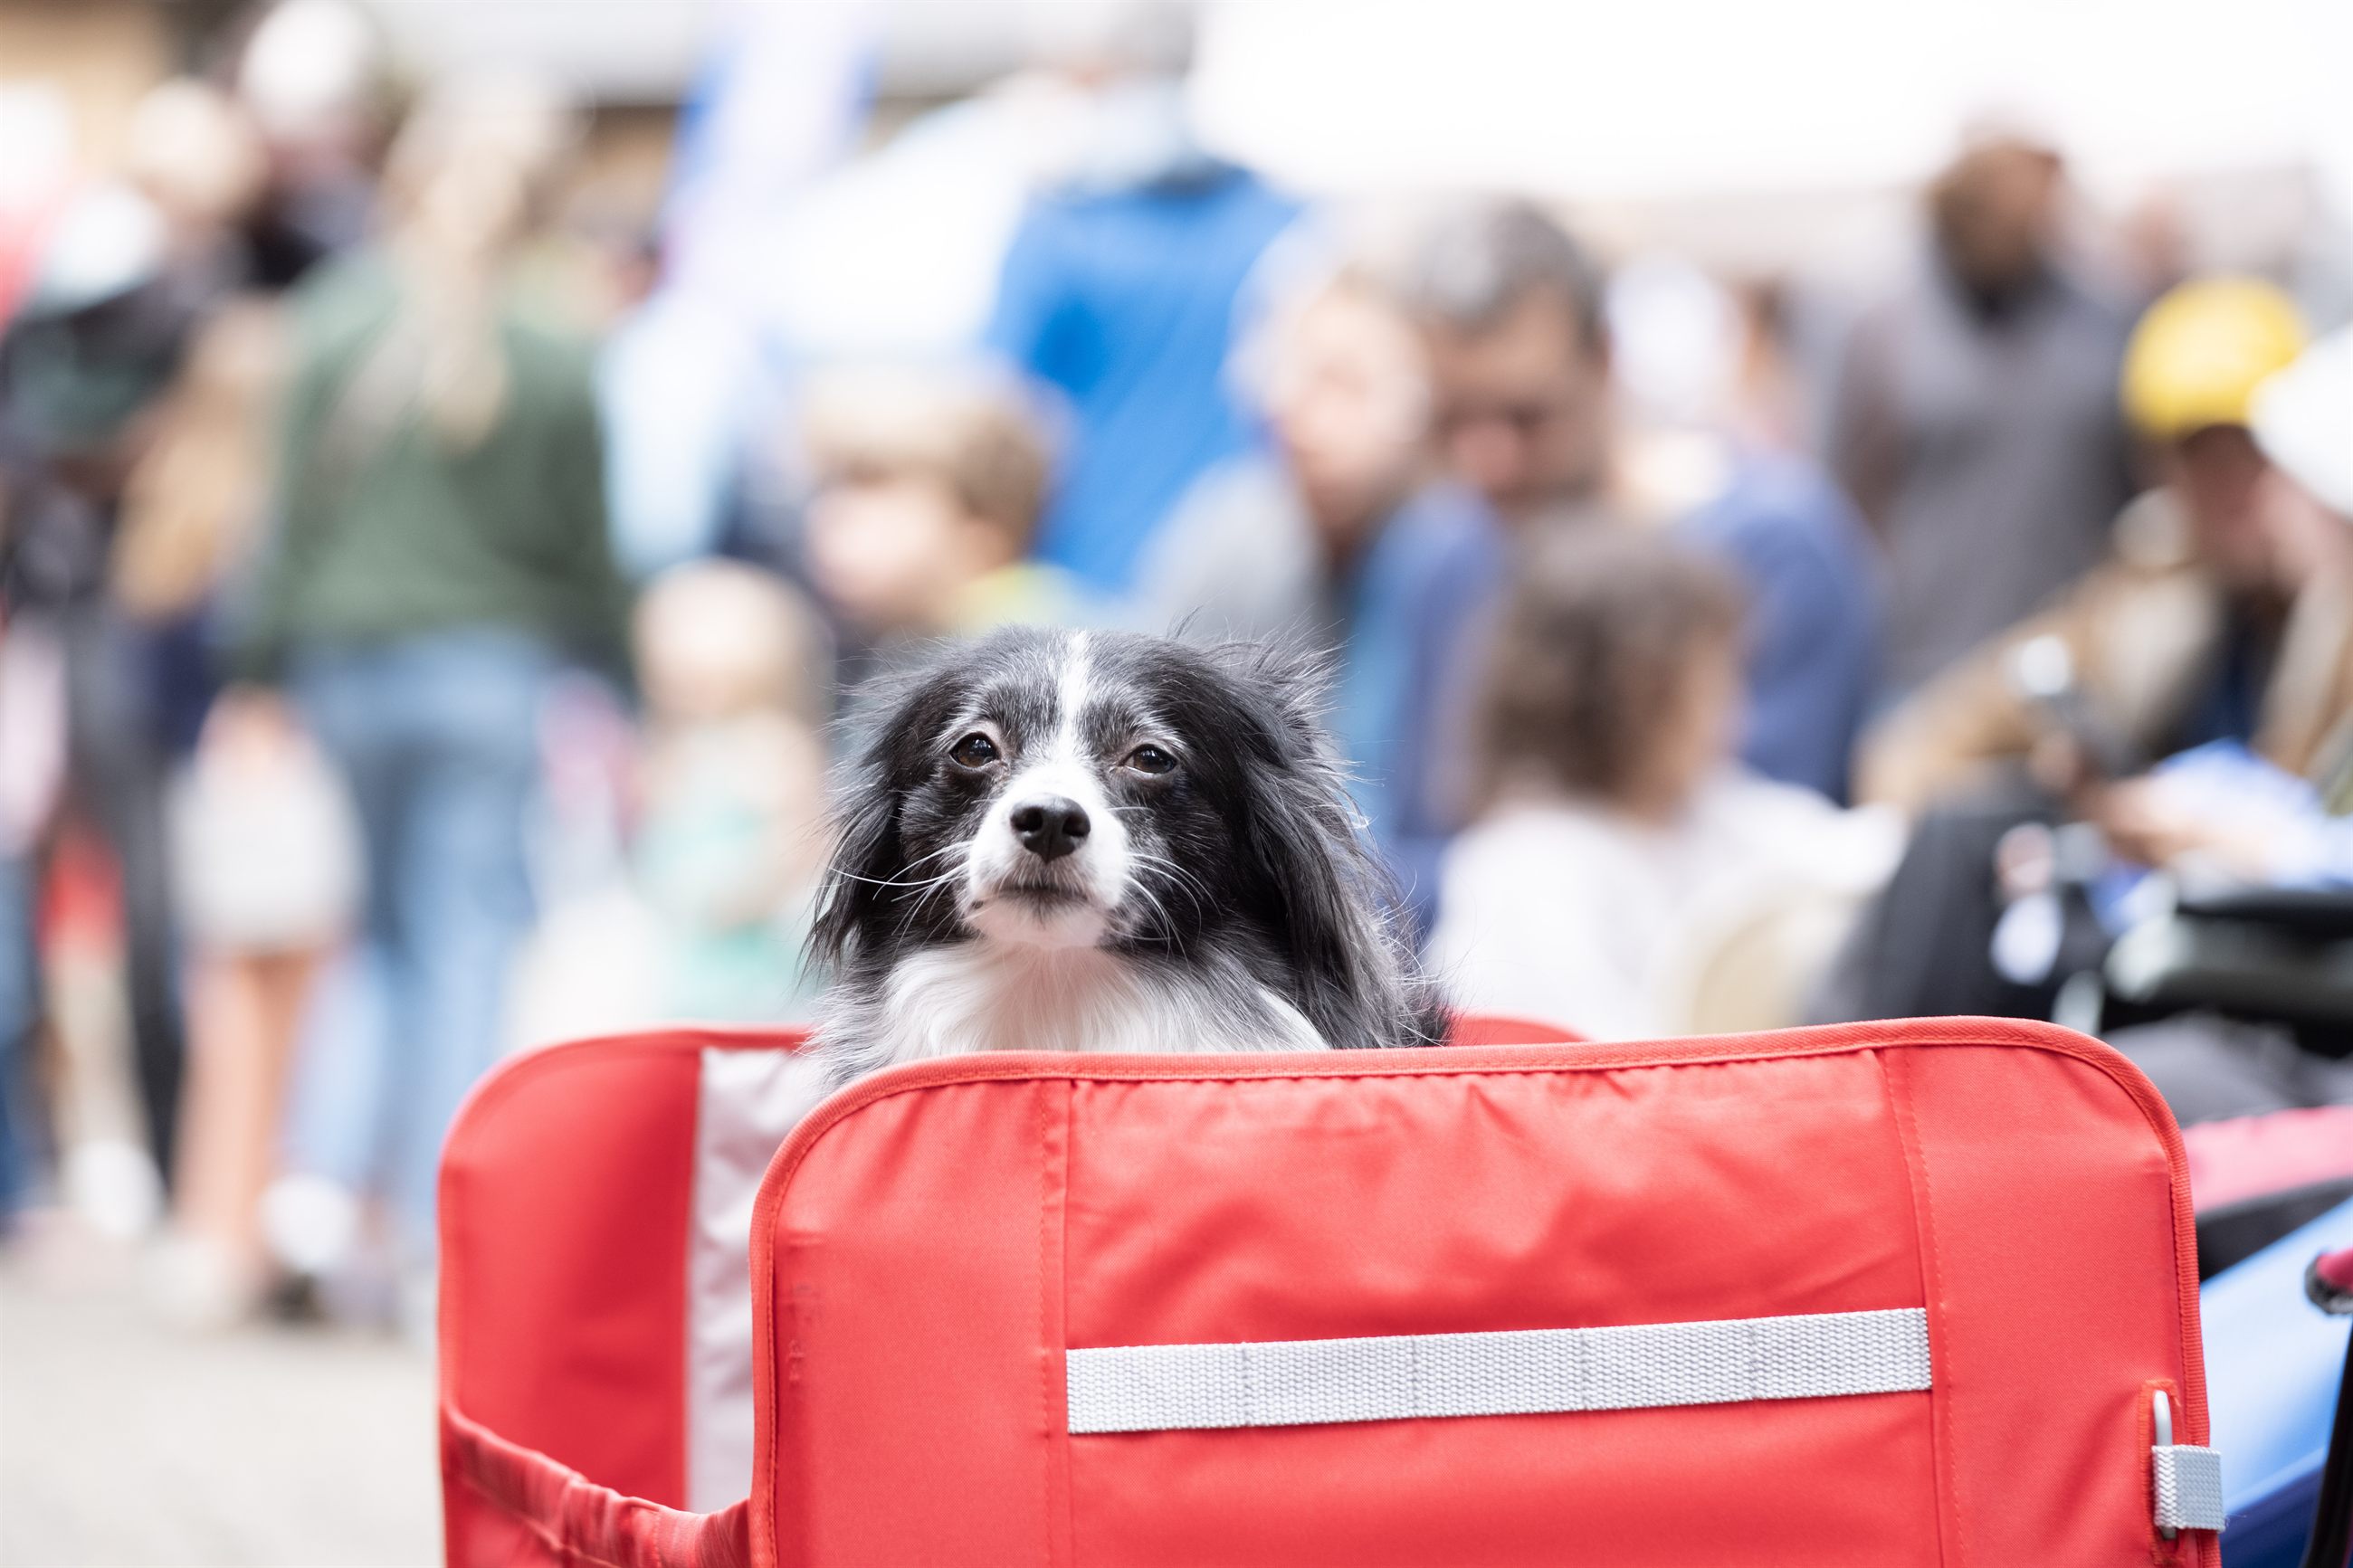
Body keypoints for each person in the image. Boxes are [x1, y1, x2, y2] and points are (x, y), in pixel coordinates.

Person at [225, 77, 626, 1264]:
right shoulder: (559, 342)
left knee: (375, 934)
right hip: (494, 672)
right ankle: (435, 1238)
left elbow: (280, 523)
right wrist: (628, 685)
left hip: (346, 667)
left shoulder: (333, 319)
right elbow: (589, 549)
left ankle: (314, 1199)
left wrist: (253, 673)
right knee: (467, 940)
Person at [1400, 198, 1880, 801]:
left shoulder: (1772, 550)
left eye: (1526, 417)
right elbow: (1417, 843)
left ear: (1603, 359)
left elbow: (1760, 859)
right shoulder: (1455, 558)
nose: (1489, 462)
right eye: (1453, 420)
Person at [1858, 279, 2321, 813]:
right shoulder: (2148, 591)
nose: (2233, 484)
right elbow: (1924, 744)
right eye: (2202, 456)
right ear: (2160, 470)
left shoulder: (2334, 613)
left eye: (2252, 447)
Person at [1139, 249, 1500, 925]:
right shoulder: (1227, 533)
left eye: (1345, 383)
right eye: (1288, 376)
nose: (1300, 413)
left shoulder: (1461, 546)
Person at [1429, 530, 1897, 1040]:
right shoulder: (1527, 866)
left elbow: (1848, 855)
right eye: (1709, 687)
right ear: (1629, 700)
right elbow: (1581, 1056)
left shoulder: (1715, 809)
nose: (1733, 715)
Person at [983, 7, 1299, 594]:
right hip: (1240, 580)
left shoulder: (1062, 231)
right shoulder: (1284, 225)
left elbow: (994, 419)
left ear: (1092, 72)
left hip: (1087, 580)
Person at [1829, 130, 2137, 698]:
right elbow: (1850, 497)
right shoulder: (1885, 332)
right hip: (1926, 661)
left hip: (2071, 654)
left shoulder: (2103, 322)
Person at [799, 364, 1089, 687]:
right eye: (829, 489)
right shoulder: (909, 642)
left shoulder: (1041, 654)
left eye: (876, 491)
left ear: (981, 531)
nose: (832, 517)